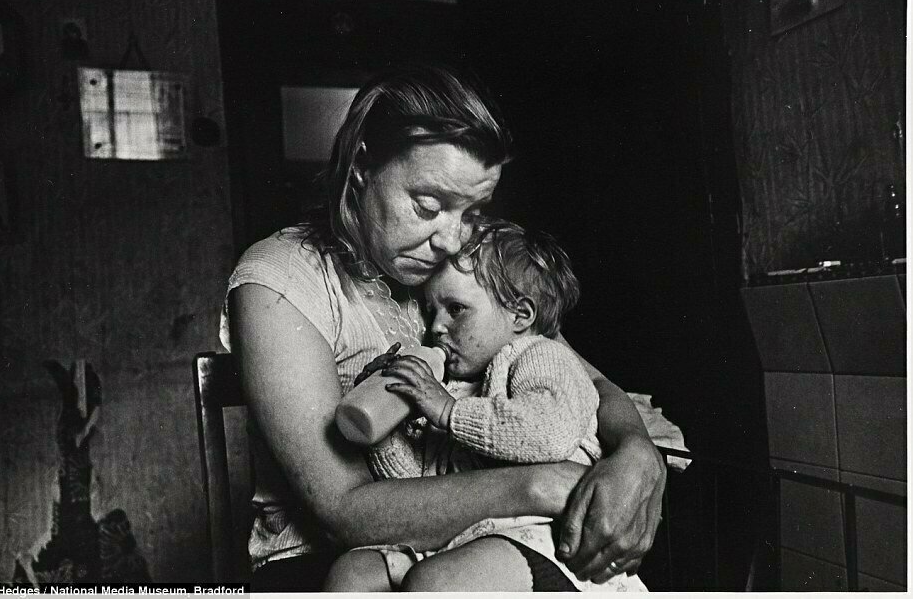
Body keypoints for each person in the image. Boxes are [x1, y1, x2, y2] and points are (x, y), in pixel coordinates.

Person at [220, 63, 666, 592]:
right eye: (428, 206)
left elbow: (586, 382)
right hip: (334, 560)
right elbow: (342, 511)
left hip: (482, 542)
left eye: (472, 212)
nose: (452, 240)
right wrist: (543, 486)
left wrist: (638, 452)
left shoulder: (468, 266)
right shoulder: (279, 281)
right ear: (361, 166)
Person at [323, 219, 649, 592]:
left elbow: (551, 434)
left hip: (542, 532)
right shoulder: (452, 386)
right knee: (353, 573)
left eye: (456, 309)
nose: (436, 327)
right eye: (431, 311)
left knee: (435, 582)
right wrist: (384, 428)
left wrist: (448, 412)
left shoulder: (541, 356)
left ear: (520, 315)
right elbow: (418, 484)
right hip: (467, 534)